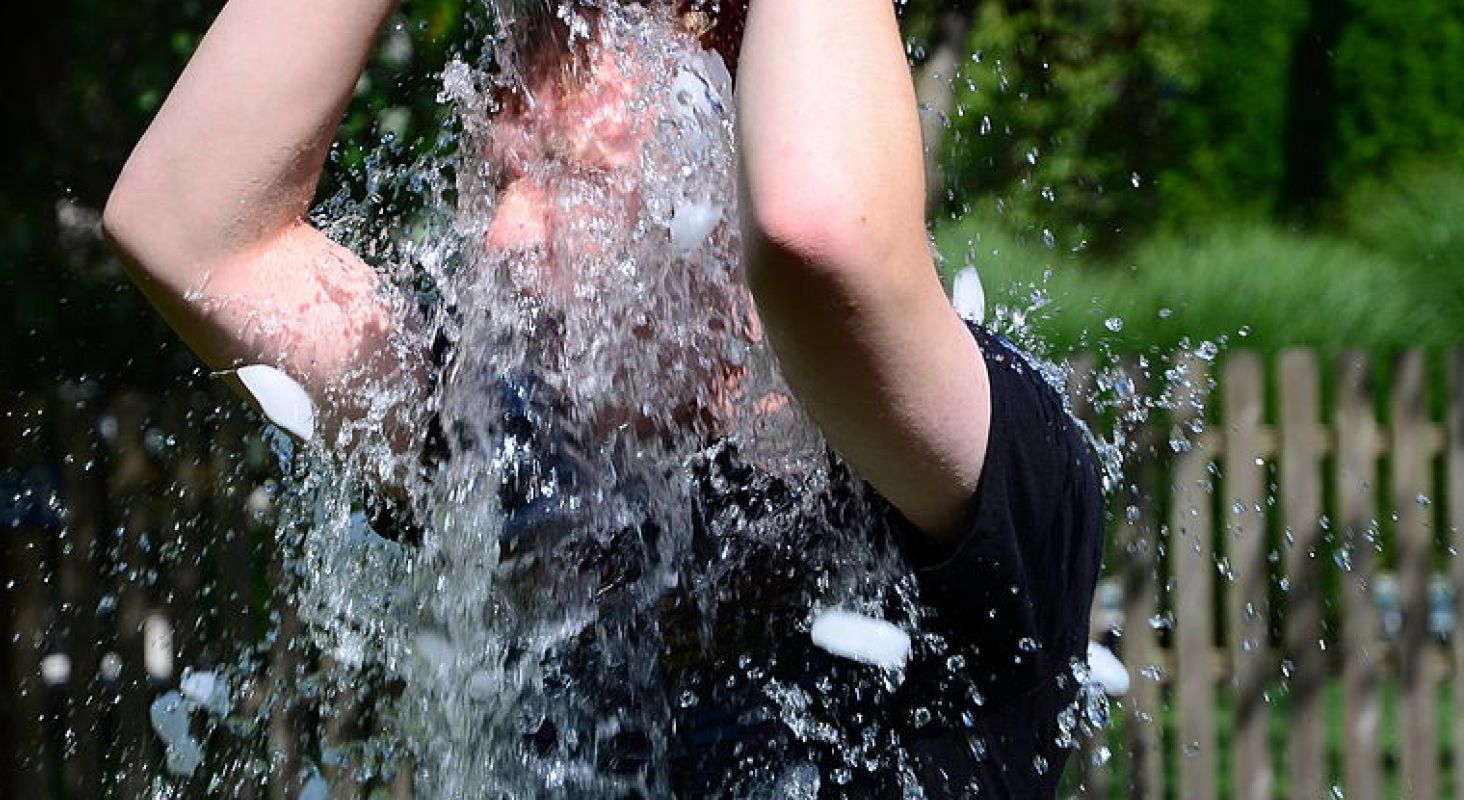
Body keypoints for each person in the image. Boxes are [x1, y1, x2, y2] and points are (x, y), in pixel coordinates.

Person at [103, 0, 1104, 797]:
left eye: (569, 175)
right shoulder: (510, 443)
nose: (503, 239)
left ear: (722, 164)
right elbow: (195, 233)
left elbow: (820, 235)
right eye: (496, 177)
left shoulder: (976, 452)